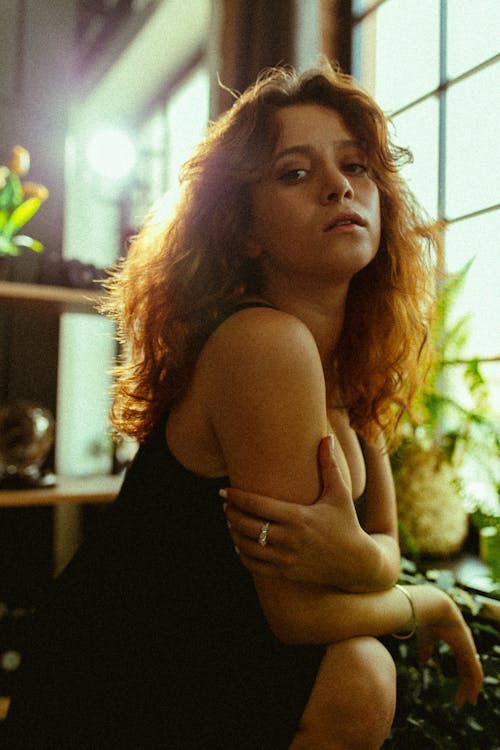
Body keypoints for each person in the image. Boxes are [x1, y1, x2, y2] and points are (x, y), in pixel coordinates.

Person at [4, 61, 482, 749]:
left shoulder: (347, 367)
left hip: (205, 663)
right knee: (363, 670)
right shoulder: (265, 343)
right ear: (245, 230)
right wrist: (424, 598)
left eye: (357, 166)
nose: (339, 185)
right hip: (115, 690)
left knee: (362, 668)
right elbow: (295, 616)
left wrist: (366, 563)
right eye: (295, 172)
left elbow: (384, 547)